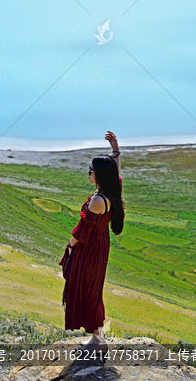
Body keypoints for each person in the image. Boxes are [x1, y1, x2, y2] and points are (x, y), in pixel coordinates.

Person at [58, 130, 124, 354]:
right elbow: (116, 173)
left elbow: (81, 231)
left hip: (89, 248)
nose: (88, 174)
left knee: (87, 288)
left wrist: (70, 247)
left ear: (99, 175)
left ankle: (97, 339)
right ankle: (98, 335)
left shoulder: (97, 200)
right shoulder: (111, 191)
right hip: (100, 244)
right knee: (93, 289)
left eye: (91, 171)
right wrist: (115, 150)